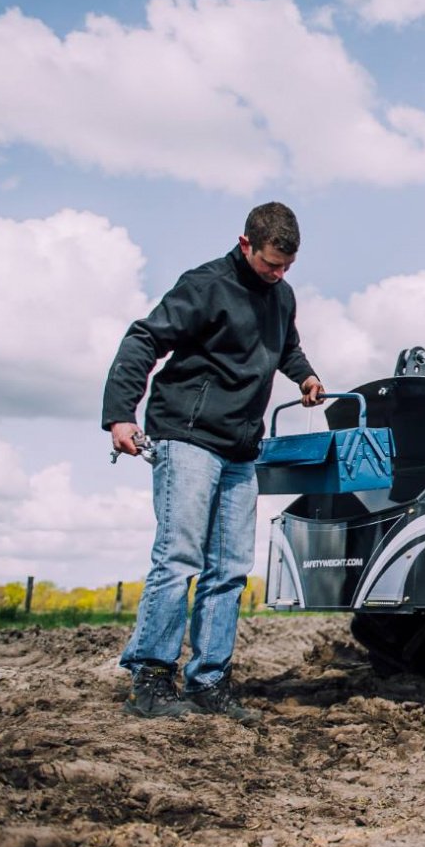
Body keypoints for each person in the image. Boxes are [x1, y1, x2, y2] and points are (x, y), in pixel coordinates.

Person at [102, 202, 324, 721]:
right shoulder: (205, 285)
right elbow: (144, 339)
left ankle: (210, 680)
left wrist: (306, 375)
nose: (279, 274)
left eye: (287, 266)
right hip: (187, 434)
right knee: (179, 557)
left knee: (229, 570)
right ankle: (152, 676)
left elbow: (284, 346)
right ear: (246, 244)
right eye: (272, 263)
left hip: (240, 447)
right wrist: (119, 415)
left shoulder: (282, 297)